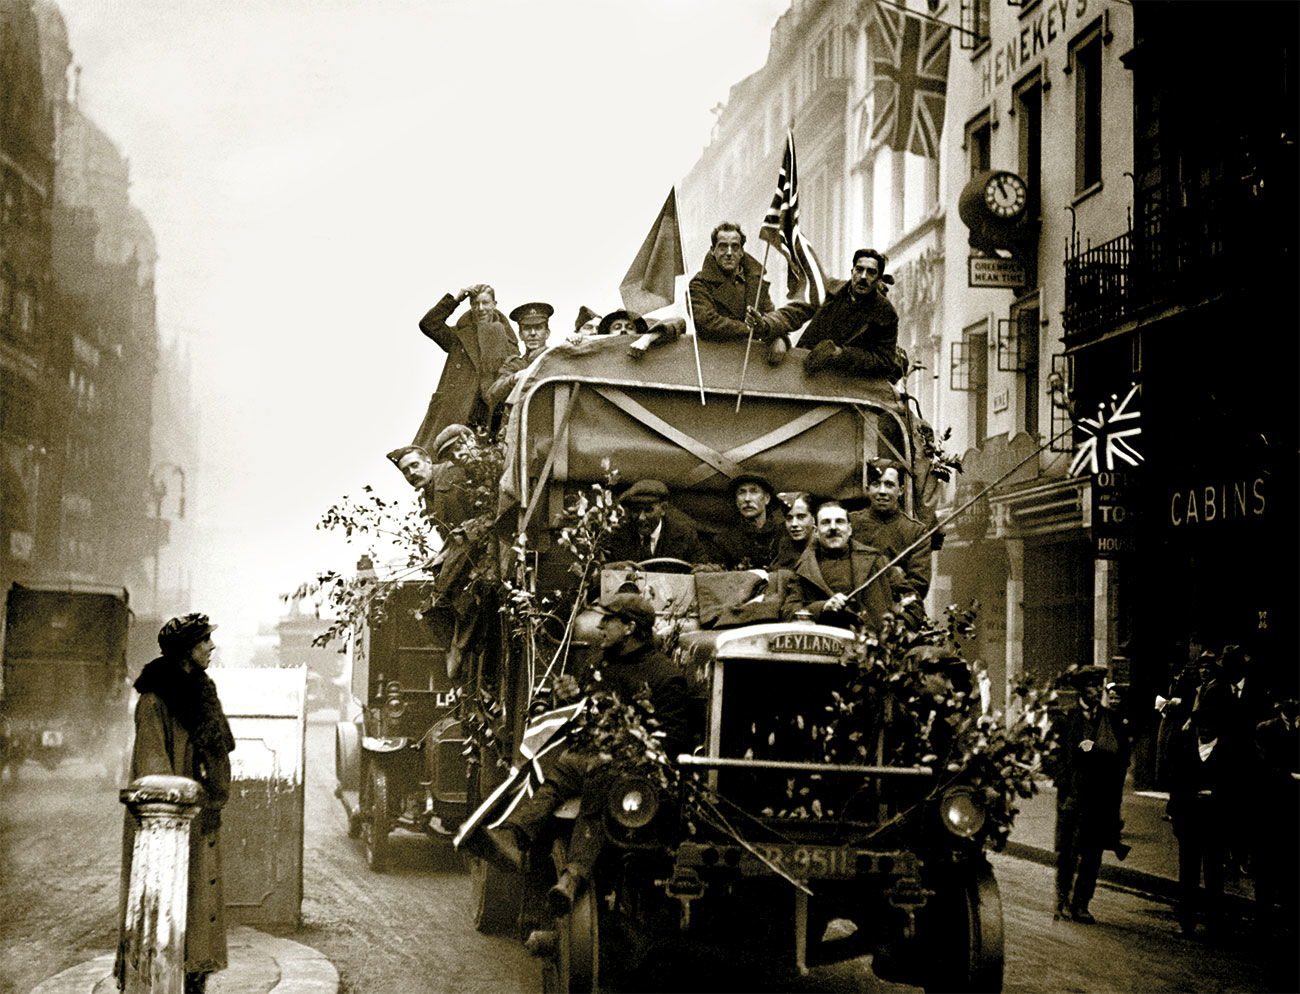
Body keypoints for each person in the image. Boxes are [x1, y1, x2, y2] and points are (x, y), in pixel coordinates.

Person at [475, 593, 688, 912]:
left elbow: (670, 739)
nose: (600, 626)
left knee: (598, 788)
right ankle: (514, 834)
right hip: (590, 756)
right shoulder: (601, 664)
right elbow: (583, 716)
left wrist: (622, 745)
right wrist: (570, 698)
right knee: (556, 771)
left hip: (632, 772)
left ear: (629, 628)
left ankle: (572, 878)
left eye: (609, 620)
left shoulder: (664, 675)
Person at [115, 614, 234, 994]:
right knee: (169, 900)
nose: (211, 648)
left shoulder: (201, 689)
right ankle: (164, 978)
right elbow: (155, 776)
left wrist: (211, 799)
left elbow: (216, 748)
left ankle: (195, 974)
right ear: (187, 650)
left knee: (199, 896)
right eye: (204, 642)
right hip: (169, 825)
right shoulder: (154, 700)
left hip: (201, 817)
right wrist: (184, 810)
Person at [1048, 665, 1131, 924]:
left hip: (1100, 798)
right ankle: (1061, 899)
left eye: (1099, 686)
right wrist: (1065, 784)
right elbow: (1053, 757)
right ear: (1082, 689)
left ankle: (1082, 904)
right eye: (1093, 686)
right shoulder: (1066, 718)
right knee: (1068, 854)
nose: (1097, 690)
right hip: (1073, 797)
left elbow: (1122, 758)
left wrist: (1097, 753)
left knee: (1092, 854)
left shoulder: (1112, 719)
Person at [1166, 651, 1234, 937]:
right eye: (1200, 725)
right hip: (1190, 818)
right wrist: (1175, 812)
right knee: (1188, 873)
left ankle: (1215, 924)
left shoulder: (1228, 751)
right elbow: (1177, 782)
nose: (1204, 731)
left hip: (1216, 819)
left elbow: (1232, 787)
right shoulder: (1185, 746)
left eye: (1210, 726)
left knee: (1215, 873)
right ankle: (1187, 922)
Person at [412, 283, 519, 451]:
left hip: (487, 413)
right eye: (475, 304)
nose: (480, 308)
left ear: (494, 304)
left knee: (481, 465)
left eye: (486, 303)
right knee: (438, 461)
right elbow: (428, 324)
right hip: (454, 408)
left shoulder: (508, 342)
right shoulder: (458, 337)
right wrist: (456, 300)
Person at [688, 222, 813, 365]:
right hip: (715, 363)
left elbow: (769, 315)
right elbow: (707, 323)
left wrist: (780, 338)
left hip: (750, 365)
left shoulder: (756, 283)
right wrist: (752, 329)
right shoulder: (700, 284)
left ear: (741, 252)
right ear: (713, 250)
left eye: (735, 247)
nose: (729, 253)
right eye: (723, 247)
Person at [778, 500, 895, 631]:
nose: (833, 528)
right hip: (825, 643)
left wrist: (898, 631)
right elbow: (788, 613)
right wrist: (823, 607)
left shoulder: (877, 561)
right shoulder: (804, 569)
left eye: (839, 521)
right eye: (826, 522)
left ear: (849, 529)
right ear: (816, 532)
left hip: (874, 644)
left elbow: (910, 600)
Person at [800, 249, 902, 383]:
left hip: (853, 383)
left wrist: (840, 354)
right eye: (859, 270)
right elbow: (798, 311)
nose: (863, 277)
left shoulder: (885, 312)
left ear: (878, 279)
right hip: (813, 374)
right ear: (852, 271)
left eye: (871, 272)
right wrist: (782, 337)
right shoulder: (830, 293)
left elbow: (884, 362)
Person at [849, 460, 931, 617]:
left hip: (896, 615)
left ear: (900, 490)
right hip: (854, 612)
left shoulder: (916, 532)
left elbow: (918, 586)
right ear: (867, 489)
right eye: (876, 484)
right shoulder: (850, 524)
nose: (882, 491)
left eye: (889, 485)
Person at [605, 478, 705, 565]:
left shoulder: (686, 536)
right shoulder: (618, 537)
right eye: (636, 510)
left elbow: (702, 569)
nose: (641, 517)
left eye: (649, 510)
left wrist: (704, 569)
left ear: (663, 509)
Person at [485, 303, 553, 411]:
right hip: (519, 423)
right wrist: (514, 378)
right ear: (521, 335)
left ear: (547, 333)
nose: (533, 333)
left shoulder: (556, 360)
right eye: (527, 328)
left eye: (538, 328)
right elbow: (491, 396)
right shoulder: (515, 364)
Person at [710, 474, 784, 569]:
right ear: (736, 501)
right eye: (741, 493)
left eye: (754, 491)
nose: (747, 499)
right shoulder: (724, 541)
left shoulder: (784, 536)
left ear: (766, 498)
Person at [772, 492, 815, 570]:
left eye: (801, 517)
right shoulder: (784, 547)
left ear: (814, 518)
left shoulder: (824, 547)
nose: (794, 524)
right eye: (789, 518)